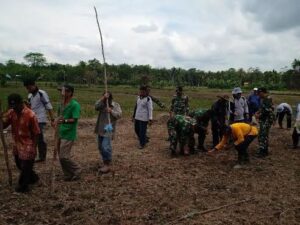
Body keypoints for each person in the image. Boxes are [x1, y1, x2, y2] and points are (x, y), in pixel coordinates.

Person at [2, 94, 40, 192]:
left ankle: (23, 186)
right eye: (12, 107)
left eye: (16, 106)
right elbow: (4, 125)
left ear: (21, 103)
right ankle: (33, 177)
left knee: (26, 166)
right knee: (19, 164)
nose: (14, 109)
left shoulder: (31, 115)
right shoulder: (11, 113)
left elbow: (36, 133)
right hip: (17, 143)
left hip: (28, 143)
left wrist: (34, 148)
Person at [23, 78, 55, 162]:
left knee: (40, 138)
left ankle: (42, 156)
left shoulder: (42, 93)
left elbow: (49, 106)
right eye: (27, 88)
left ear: (34, 85)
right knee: (32, 138)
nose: (28, 89)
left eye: (29, 87)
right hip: (31, 119)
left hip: (40, 119)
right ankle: (32, 155)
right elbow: (30, 107)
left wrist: (52, 119)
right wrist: (27, 105)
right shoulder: (30, 95)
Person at [56, 85, 81, 181]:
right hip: (60, 132)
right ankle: (67, 174)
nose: (62, 93)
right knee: (60, 156)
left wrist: (64, 121)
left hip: (69, 133)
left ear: (70, 93)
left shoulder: (75, 105)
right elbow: (59, 116)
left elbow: (74, 119)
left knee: (64, 156)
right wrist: (56, 121)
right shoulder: (61, 104)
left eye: (65, 91)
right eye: (61, 91)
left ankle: (77, 169)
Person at [95, 92, 122, 173]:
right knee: (100, 147)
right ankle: (105, 161)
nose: (107, 99)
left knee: (105, 146)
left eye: (108, 98)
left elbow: (119, 115)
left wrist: (111, 111)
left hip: (109, 128)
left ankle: (107, 164)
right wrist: (103, 99)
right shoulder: (101, 104)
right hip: (100, 128)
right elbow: (96, 107)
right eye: (105, 97)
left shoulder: (115, 105)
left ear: (111, 98)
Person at [255, 87, 275, 158]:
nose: (258, 95)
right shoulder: (264, 99)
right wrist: (258, 112)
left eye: (259, 93)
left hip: (266, 120)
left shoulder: (267, 99)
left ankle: (262, 152)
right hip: (264, 120)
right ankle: (264, 150)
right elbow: (262, 108)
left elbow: (266, 111)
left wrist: (258, 115)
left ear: (262, 92)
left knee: (263, 136)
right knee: (263, 135)